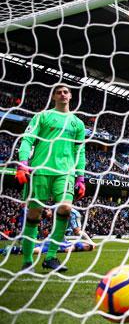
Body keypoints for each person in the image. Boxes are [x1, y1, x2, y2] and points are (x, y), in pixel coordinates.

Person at [16, 84, 86, 272]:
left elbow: (80, 151)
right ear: (54, 96)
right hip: (40, 170)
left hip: (66, 173)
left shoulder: (77, 123)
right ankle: (27, 261)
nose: (63, 94)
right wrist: (23, 162)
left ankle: (52, 256)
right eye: (59, 92)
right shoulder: (42, 117)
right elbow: (27, 139)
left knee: (65, 208)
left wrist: (81, 177)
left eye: (66, 92)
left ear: (70, 96)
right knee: (34, 214)